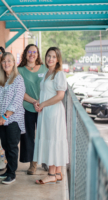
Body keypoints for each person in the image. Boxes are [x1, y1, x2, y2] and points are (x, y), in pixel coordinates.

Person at [33, 47, 68, 184]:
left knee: (53, 139)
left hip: (53, 112)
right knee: (53, 139)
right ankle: (58, 173)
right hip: (45, 111)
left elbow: (60, 96)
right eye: (48, 56)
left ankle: (51, 174)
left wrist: (43, 104)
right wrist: (38, 103)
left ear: (58, 59)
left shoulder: (59, 74)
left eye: (54, 56)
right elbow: (45, 93)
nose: (50, 59)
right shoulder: (47, 72)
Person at [0, 52, 25, 185]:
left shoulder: (18, 79)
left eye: (9, 61)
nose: (6, 63)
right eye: (4, 61)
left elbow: (17, 101)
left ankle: (12, 174)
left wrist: (4, 117)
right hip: (0, 120)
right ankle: (8, 170)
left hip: (13, 119)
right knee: (5, 146)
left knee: (12, 147)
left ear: (14, 63)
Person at [17, 44, 48, 175]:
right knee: (29, 136)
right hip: (28, 106)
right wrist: (34, 101)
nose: (32, 54)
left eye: (34, 52)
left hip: (44, 107)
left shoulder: (45, 68)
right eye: (29, 52)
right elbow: (19, 91)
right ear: (25, 54)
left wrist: (41, 103)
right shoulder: (20, 70)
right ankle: (33, 163)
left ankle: (46, 159)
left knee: (44, 134)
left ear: (37, 54)